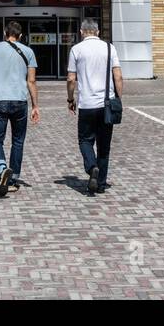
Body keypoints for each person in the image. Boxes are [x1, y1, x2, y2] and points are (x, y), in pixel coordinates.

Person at [0, 20, 39, 197]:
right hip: (20, 101)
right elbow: (32, 81)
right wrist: (35, 105)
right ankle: (12, 180)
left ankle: (2, 168)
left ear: (5, 33)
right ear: (20, 36)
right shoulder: (28, 52)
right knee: (18, 141)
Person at [67, 18, 122, 195]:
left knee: (85, 140)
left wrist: (70, 99)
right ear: (98, 32)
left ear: (82, 32)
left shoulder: (76, 49)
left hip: (86, 104)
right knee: (104, 146)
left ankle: (91, 168)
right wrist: (118, 98)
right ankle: (100, 184)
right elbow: (118, 76)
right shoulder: (109, 48)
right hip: (106, 103)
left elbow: (70, 79)